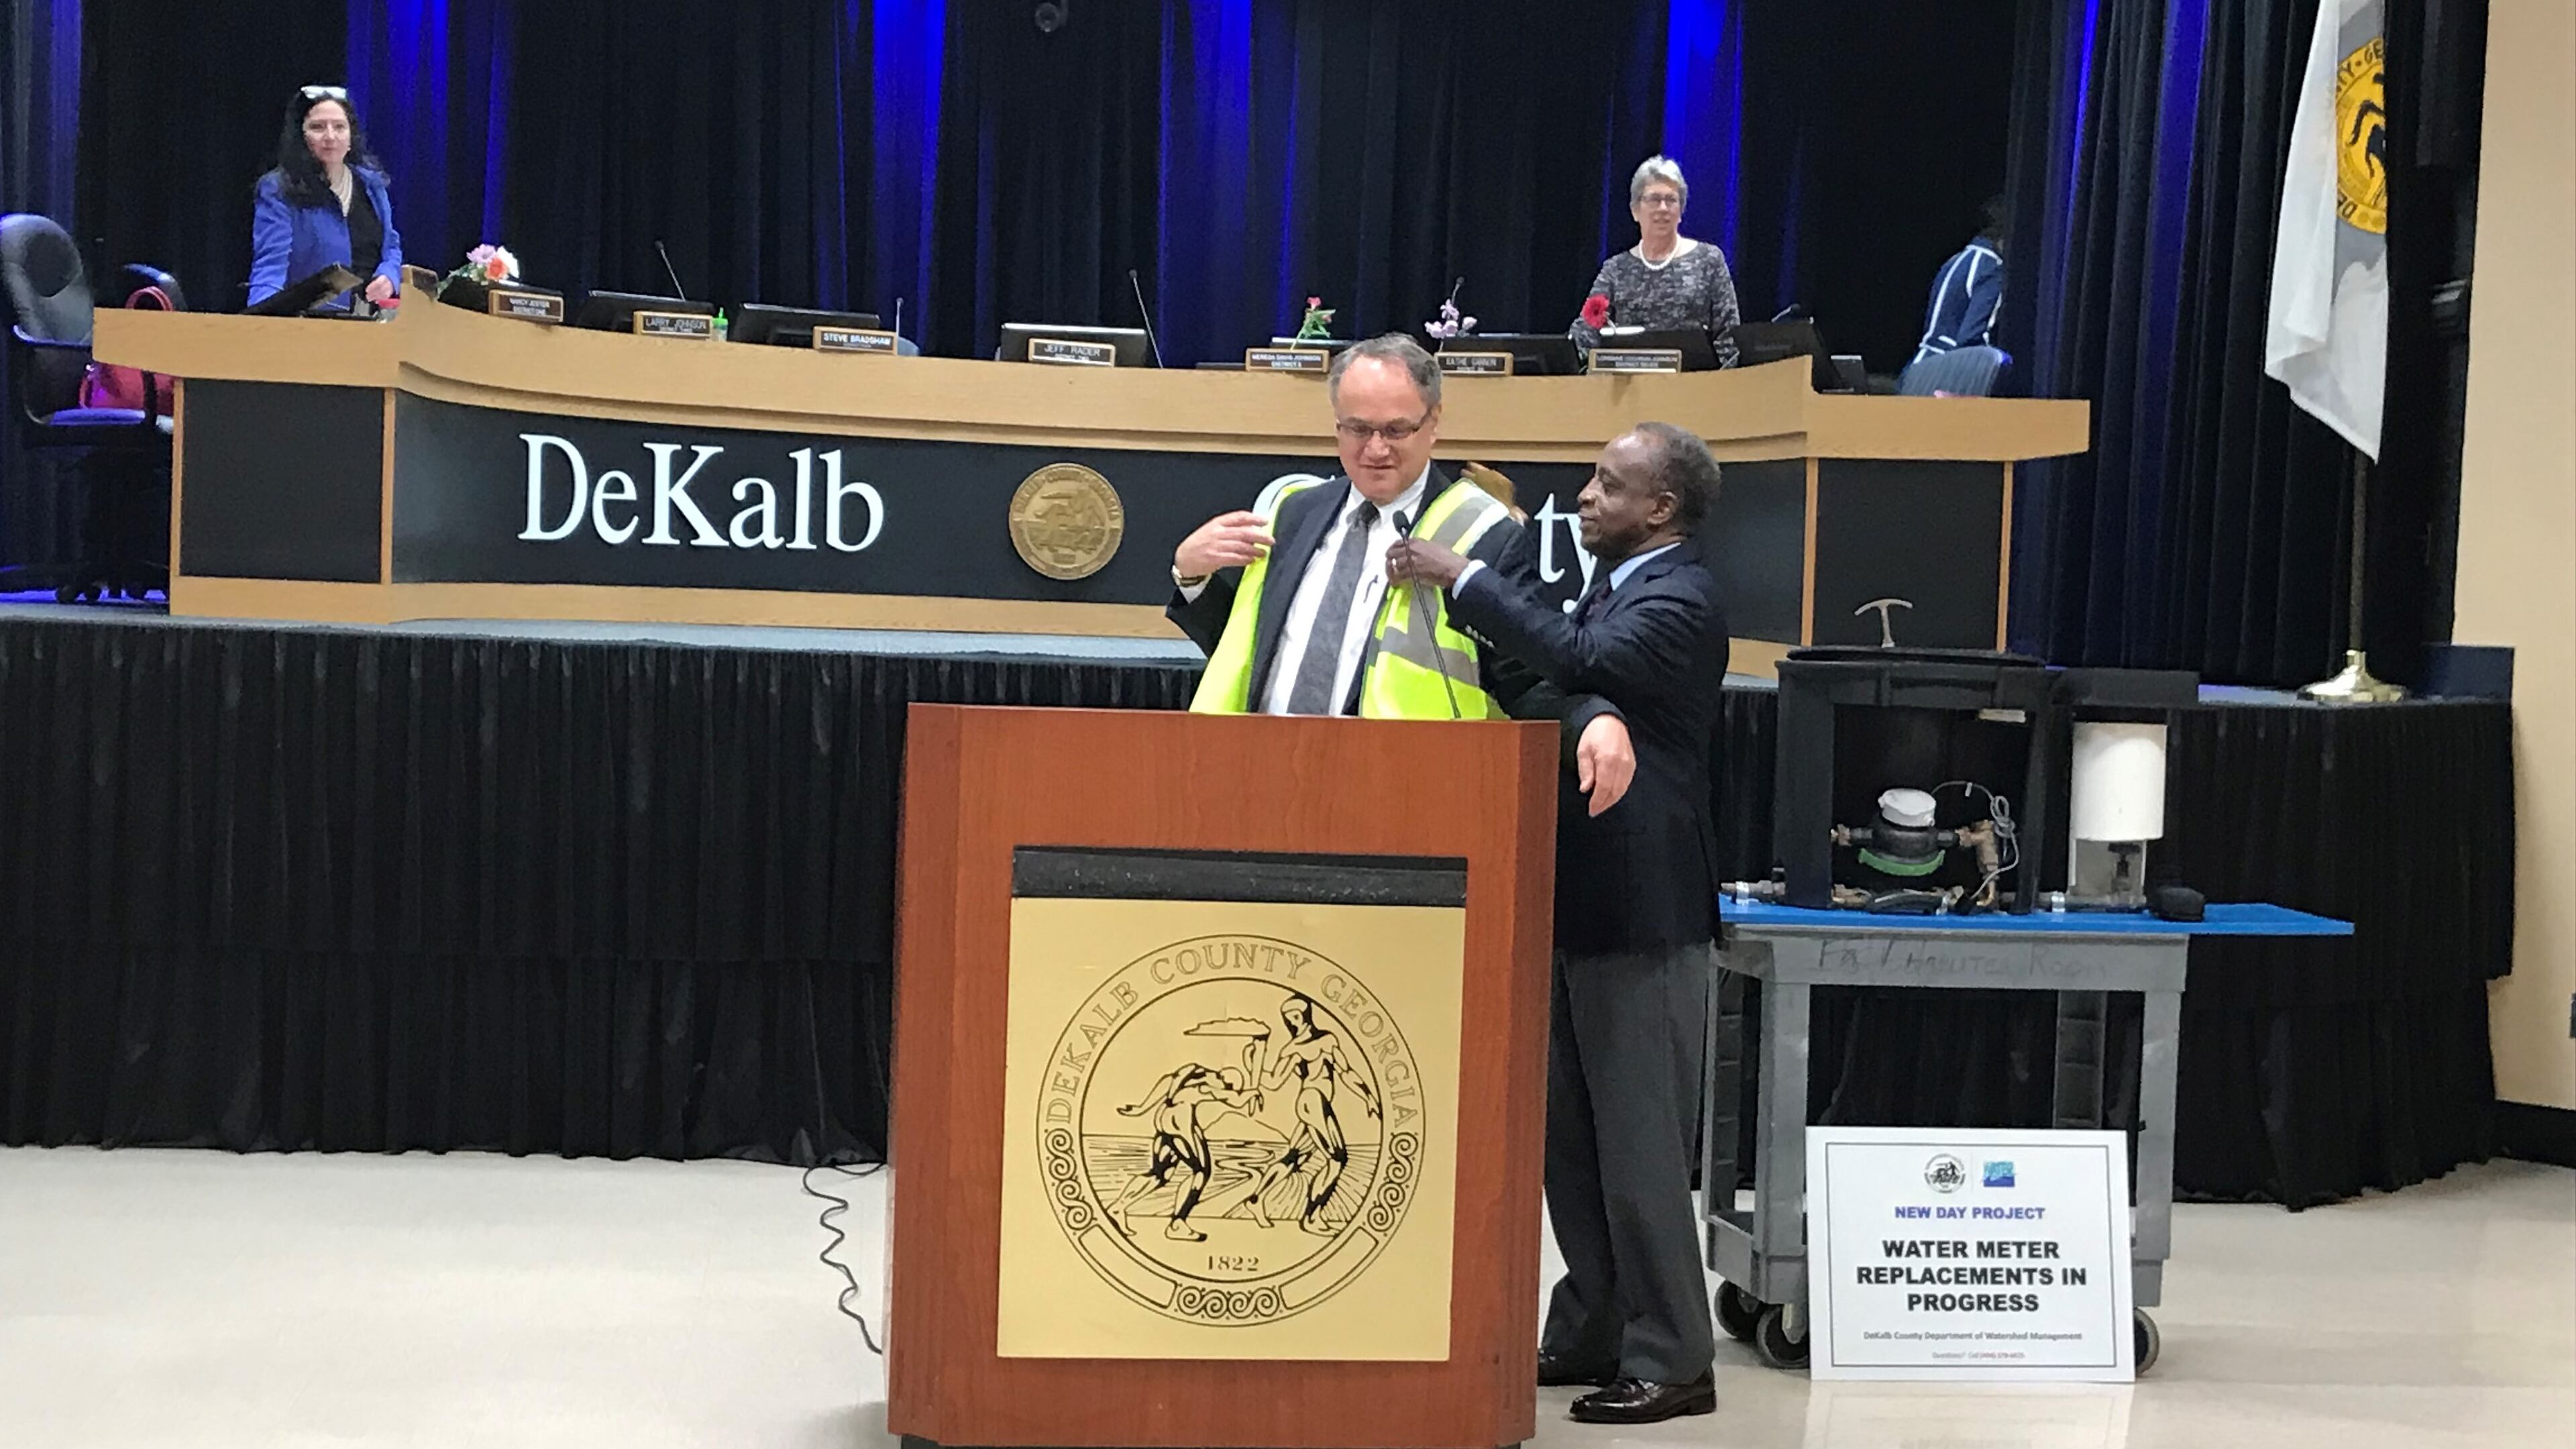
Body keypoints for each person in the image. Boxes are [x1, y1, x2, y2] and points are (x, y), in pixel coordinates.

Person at [1388, 422, 1729, 1426]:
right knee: (1573, 1145)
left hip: (1644, 916)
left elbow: (1584, 660)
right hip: (1579, 905)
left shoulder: (1681, 598)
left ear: (1660, 509)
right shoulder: (1616, 585)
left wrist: (1464, 576)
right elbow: (1557, 680)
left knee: (1640, 1148)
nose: (1584, 497)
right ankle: (1593, 1327)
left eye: (1608, 485)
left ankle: (1674, 1356)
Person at [1171, 333, 1605, 727]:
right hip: (1266, 764)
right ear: (1337, 424)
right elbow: (1259, 653)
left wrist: (1590, 723)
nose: (1376, 449)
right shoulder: (1297, 512)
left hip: (1404, 775)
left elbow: (1525, 679)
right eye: (1358, 429)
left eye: (1396, 430)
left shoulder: (1486, 535)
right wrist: (1192, 579)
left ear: (1433, 422)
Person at [1568, 156, 1741, 367]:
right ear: (1635, 210)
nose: (1663, 208)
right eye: (1654, 199)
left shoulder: (1709, 261)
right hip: (1631, 385)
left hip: (1695, 384)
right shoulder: (1615, 270)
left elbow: (1730, 340)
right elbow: (1585, 334)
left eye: (1671, 200)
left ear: (1681, 211)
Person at [248, 85, 403, 313]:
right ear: (301, 135)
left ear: (351, 135)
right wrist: (260, 320)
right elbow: (271, 267)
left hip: (372, 321)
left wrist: (389, 276)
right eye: (318, 127)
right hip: (311, 323)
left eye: (339, 127)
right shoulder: (278, 189)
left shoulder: (372, 184)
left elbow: (391, 248)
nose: (330, 137)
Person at [1242, 995, 1379, 1236]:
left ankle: (1255, 1199)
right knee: (1337, 1159)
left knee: (1294, 1157)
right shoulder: (1293, 1049)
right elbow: (1274, 1082)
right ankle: (1312, 1216)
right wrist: (1252, 1065)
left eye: (1296, 1016)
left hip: (1314, 1103)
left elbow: (1346, 1071)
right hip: (1313, 1101)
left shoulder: (1326, 1040)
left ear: (1307, 1015)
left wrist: (1367, 1094)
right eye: (1288, 1019)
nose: (1293, 1022)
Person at [1105, 1064, 1261, 1242]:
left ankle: (1118, 1207)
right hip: (1179, 1128)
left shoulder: (1191, 1073)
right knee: (1201, 1173)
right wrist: (1252, 1093)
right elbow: (1235, 1100)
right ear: (1223, 1079)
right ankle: (1178, 1223)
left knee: (1159, 1175)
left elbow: (1167, 1081)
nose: (1226, 1091)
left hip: (1164, 1124)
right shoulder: (1207, 1085)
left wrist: (1142, 1108)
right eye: (1229, 1087)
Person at [1909, 195, 2007, 367]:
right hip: (1946, 372)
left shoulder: (1957, 260)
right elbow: (1972, 339)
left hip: (1920, 366)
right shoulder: (1992, 270)